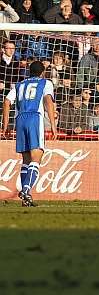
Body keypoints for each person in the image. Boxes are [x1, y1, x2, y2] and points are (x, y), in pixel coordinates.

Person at [0, 61, 57, 207]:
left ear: (29, 72)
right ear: (43, 72)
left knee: (26, 159)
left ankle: (26, 196)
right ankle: (26, 190)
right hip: (34, 118)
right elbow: (48, 101)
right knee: (36, 158)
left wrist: (5, 125)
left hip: (20, 120)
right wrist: (53, 125)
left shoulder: (19, 85)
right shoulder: (46, 83)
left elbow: (6, 102)